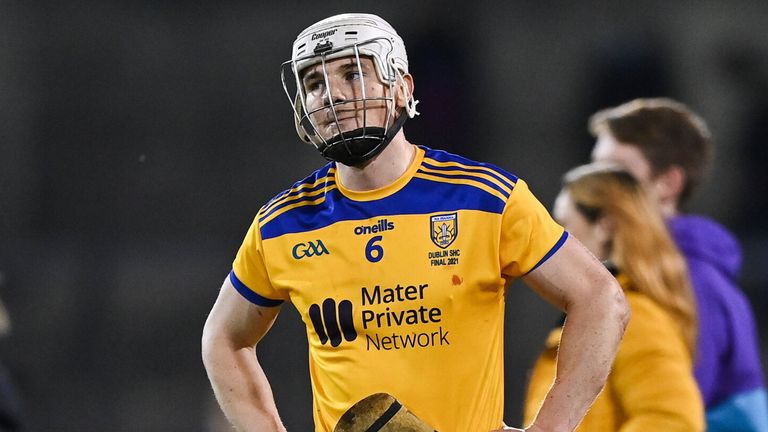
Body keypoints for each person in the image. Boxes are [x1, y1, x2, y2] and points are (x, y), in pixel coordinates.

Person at [201, 13, 630, 432]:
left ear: (402, 88)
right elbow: (223, 339)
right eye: (314, 83)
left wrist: (551, 428)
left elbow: (601, 299)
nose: (332, 96)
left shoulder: (484, 197)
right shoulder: (282, 224)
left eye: (352, 73)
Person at [590, 98, 768, 431]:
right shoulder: (654, 273)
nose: (596, 189)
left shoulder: (689, 279)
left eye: (616, 172)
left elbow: (674, 417)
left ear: (668, 184)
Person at [524, 162, 704, 430]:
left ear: (605, 225)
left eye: (563, 226)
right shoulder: (621, 312)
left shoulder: (635, 318)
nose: (554, 241)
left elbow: (675, 421)